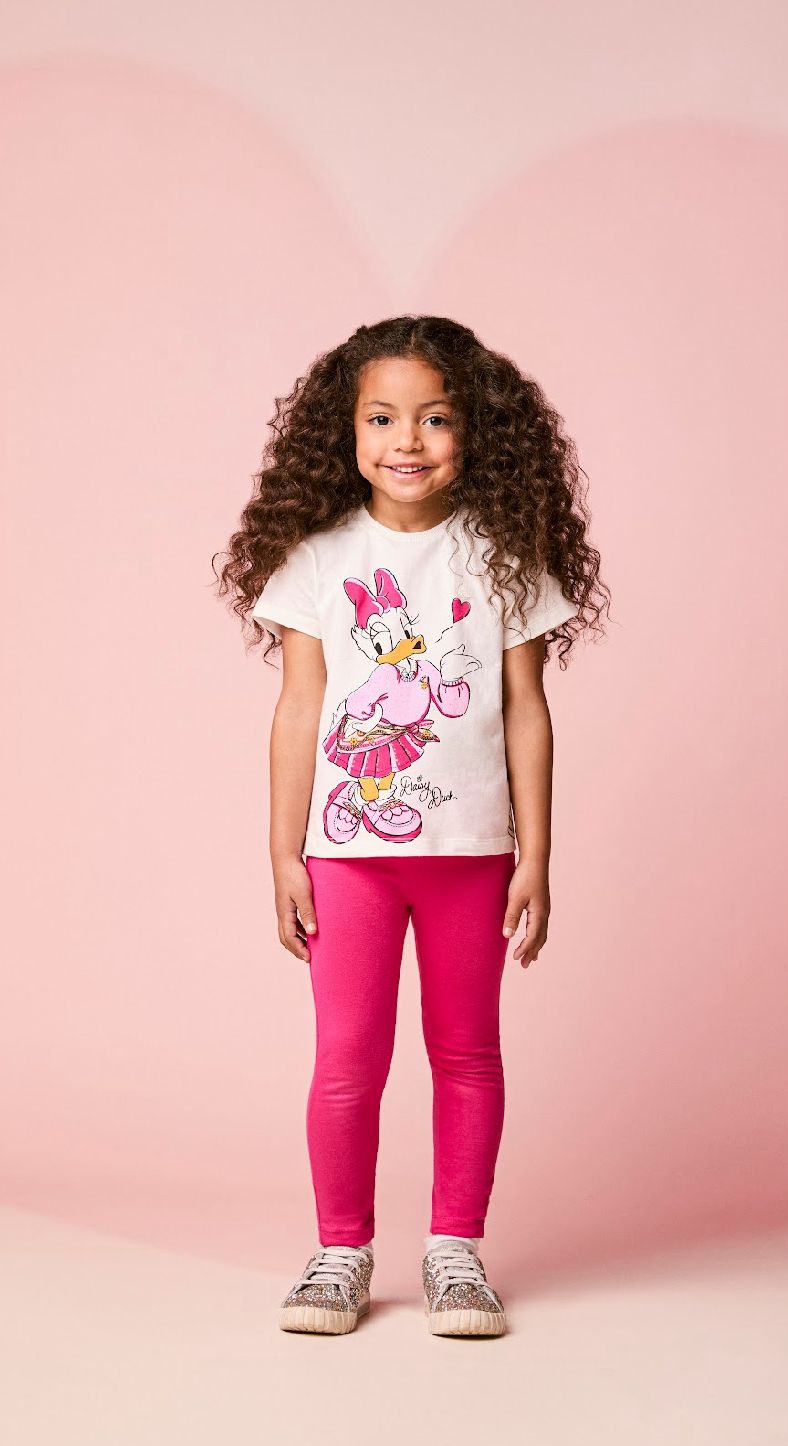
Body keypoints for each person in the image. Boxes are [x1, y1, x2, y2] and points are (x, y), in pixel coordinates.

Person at [214, 315, 609, 1337]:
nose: (408, 440)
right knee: (347, 1060)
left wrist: (536, 855)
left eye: (435, 418)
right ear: (343, 432)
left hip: (472, 856)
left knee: (467, 1052)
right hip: (348, 855)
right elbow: (299, 708)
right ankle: (339, 1251)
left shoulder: (504, 556)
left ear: (474, 431)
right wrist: (282, 851)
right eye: (382, 418)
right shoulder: (316, 560)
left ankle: (455, 1252)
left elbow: (526, 709)